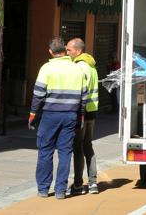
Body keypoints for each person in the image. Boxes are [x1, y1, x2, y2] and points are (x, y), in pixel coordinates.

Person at [28, 37, 88, 200]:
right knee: (65, 152)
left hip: (50, 115)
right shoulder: (77, 69)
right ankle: (61, 190)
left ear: (50, 51)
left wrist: (33, 114)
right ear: (65, 50)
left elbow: (38, 94)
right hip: (70, 115)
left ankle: (43, 189)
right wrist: (80, 115)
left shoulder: (46, 68)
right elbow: (84, 96)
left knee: (45, 151)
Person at [65, 38, 100, 195]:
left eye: (69, 50)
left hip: (82, 113)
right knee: (88, 146)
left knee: (78, 148)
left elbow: (80, 91)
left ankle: (78, 184)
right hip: (92, 112)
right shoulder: (91, 66)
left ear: (78, 51)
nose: (67, 52)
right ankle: (93, 183)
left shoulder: (80, 67)